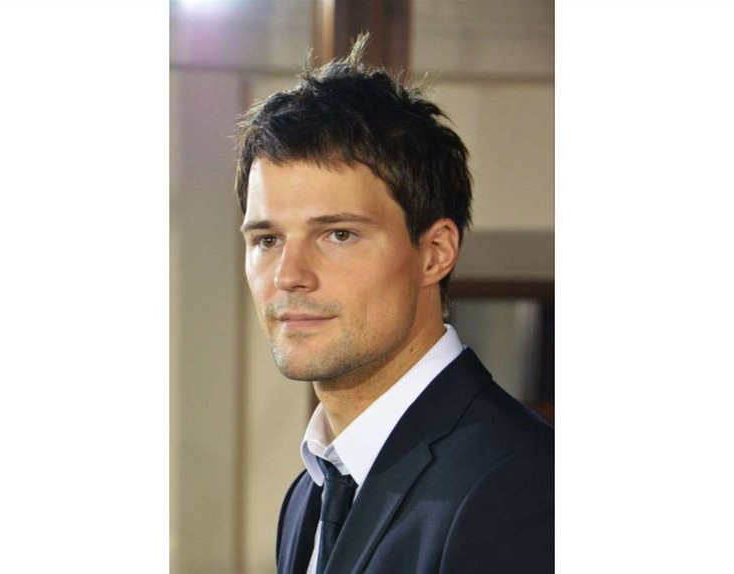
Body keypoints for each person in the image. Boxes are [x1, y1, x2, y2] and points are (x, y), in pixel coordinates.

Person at [234, 35, 553, 574]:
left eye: (338, 235)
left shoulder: (520, 485)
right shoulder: (309, 492)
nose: (289, 275)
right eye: (267, 240)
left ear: (435, 253)